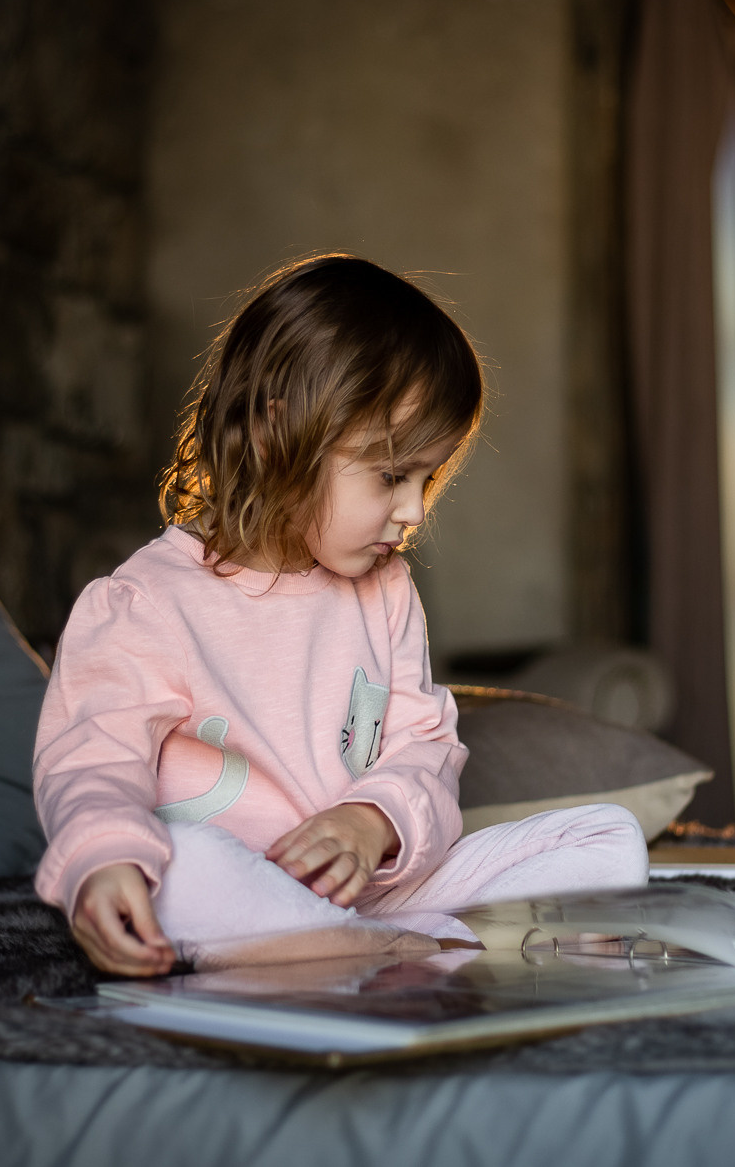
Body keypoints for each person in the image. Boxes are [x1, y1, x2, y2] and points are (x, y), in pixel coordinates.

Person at [32, 255, 647, 975]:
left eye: (427, 479)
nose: (414, 510)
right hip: (245, 892)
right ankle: (422, 952)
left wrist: (372, 821)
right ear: (276, 435)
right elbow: (92, 760)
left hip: (384, 898)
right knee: (180, 865)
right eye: (392, 475)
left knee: (610, 837)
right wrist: (103, 861)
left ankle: (374, 947)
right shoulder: (145, 604)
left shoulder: (386, 592)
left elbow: (426, 751)